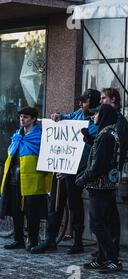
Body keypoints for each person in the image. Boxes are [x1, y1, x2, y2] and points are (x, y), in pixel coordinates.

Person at [31, 89, 100, 254]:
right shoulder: (78, 114)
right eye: (81, 101)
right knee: (55, 203)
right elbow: (67, 118)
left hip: (77, 171)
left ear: (93, 102)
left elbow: (86, 149)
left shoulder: (96, 122)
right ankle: (50, 239)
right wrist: (58, 116)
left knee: (75, 205)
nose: (81, 103)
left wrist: (70, 170)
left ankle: (78, 241)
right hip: (61, 166)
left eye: (84, 101)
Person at [76, 104, 122, 273]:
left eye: (96, 114)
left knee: (98, 224)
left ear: (103, 116)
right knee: (103, 223)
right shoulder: (107, 133)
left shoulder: (106, 135)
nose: (93, 117)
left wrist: (83, 178)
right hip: (104, 186)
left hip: (100, 186)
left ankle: (113, 259)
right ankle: (103, 258)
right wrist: (89, 139)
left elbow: (100, 164)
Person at [0, 107, 52, 250]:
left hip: (32, 180)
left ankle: (33, 242)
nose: (22, 119)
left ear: (34, 119)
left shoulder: (40, 136)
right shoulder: (18, 135)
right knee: (16, 212)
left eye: (26, 117)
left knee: (32, 213)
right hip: (15, 179)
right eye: (21, 116)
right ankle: (18, 240)